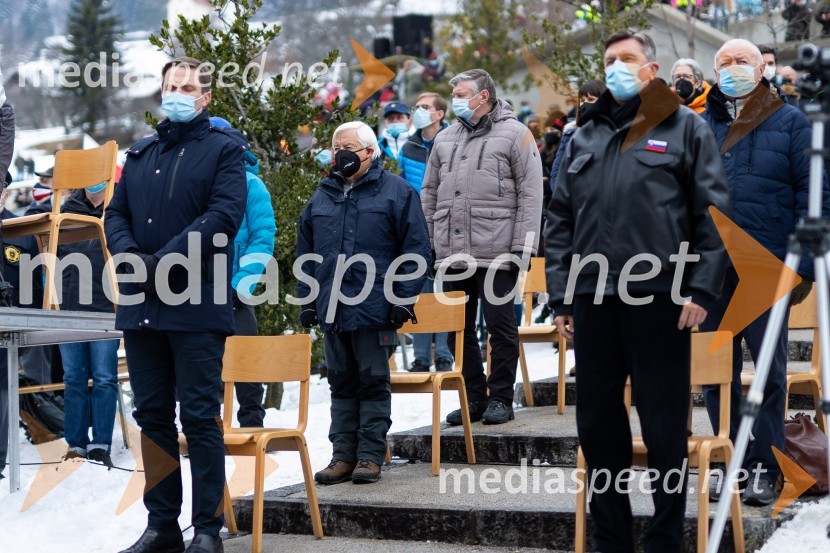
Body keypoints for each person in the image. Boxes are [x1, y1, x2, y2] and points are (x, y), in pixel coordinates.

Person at [546, 29, 730, 551]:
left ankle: (665, 538)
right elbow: (559, 220)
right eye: (610, 59)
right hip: (594, 300)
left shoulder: (685, 127)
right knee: (598, 426)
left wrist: (702, 289)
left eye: (627, 58)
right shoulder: (583, 134)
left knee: (664, 425)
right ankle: (612, 539)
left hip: (661, 298)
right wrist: (561, 296)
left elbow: (714, 215)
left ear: (651, 68)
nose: (616, 67)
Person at [106, 56, 248, 553]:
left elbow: (224, 216)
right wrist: (131, 258)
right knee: (153, 417)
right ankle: (162, 526)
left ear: (205, 97)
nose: (178, 94)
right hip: (142, 307)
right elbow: (115, 214)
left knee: (200, 418)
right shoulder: (141, 153)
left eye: (188, 87)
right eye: (172, 86)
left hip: (195, 305)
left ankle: (207, 529)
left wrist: (162, 262)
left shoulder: (224, 151)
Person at [701, 38, 830, 506]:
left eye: (743, 61)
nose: (733, 68)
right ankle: (728, 457)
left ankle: (765, 466)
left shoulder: (790, 122)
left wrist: (805, 268)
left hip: (767, 263)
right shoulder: (699, 127)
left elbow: (813, 196)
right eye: (724, 62)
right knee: (715, 372)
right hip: (711, 269)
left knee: (770, 375)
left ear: (761, 70)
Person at [296, 121, 430, 484]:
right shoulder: (322, 194)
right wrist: (308, 300)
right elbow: (306, 253)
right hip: (332, 307)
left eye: (349, 147)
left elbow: (417, 250)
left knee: (372, 383)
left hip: (375, 306)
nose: (341, 154)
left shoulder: (398, 192)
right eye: (337, 147)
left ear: (370, 152)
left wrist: (403, 299)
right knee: (340, 384)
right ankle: (343, 455)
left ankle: (369, 456)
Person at [421, 68, 543, 426]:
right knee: (456, 329)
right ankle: (473, 396)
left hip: (499, 250)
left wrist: (523, 247)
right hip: (451, 249)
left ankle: (501, 397)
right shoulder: (445, 138)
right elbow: (429, 192)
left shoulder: (517, 134)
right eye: (454, 94)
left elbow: (531, 193)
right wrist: (429, 242)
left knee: (500, 326)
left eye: (461, 94)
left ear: (483, 96)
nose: (455, 100)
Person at [209, 116, 276, 428]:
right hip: (200, 289)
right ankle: (207, 428)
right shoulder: (197, 185)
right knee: (204, 366)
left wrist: (241, 284)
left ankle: (252, 424)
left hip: (236, 290)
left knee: (247, 361)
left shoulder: (251, 185)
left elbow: (262, 237)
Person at [57, 182, 120, 468]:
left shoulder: (119, 205)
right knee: (73, 378)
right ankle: (76, 444)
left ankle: (100, 444)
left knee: (105, 377)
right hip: (69, 310)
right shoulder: (67, 210)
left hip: (106, 308)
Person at [399, 93, 453, 373]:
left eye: (424, 107)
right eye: (416, 107)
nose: (418, 111)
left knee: (443, 291)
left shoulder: (454, 141)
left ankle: (444, 353)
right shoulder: (408, 147)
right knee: (419, 292)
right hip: (416, 227)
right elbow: (399, 184)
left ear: (439, 113)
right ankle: (421, 357)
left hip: (446, 225)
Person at [549, 79, 606, 194]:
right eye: (582, 100)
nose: (584, 104)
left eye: (591, 99)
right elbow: (557, 173)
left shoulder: (613, 133)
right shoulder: (570, 136)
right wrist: (564, 199)